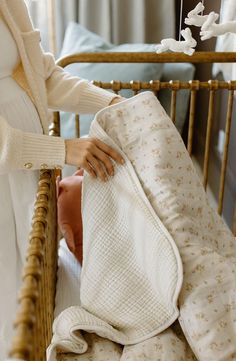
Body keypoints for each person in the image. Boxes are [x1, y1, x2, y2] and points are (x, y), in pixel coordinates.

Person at [0, 0, 125, 358]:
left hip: (26, 168)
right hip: (13, 162)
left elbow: (44, 76)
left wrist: (113, 103)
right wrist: (62, 149)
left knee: (31, 278)